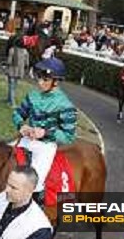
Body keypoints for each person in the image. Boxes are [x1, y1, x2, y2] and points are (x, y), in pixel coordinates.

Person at [12, 57, 77, 200]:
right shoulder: (32, 95)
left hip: (45, 147)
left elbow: (69, 136)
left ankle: (35, 205)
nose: (40, 82)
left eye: (45, 80)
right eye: (40, 78)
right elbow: (18, 113)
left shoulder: (66, 105)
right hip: (26, 139)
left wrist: (45, 133)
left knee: (34, 182)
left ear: (56, 82)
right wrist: (21, 125)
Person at [6, 36, 29, 107]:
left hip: (12, 71)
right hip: (20, 72)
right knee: (14, 87)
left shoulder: (12, 50)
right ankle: (8, 100)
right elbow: (27, 63)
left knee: (11, 87)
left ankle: (12, 103)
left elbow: (9, 61)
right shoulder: (25, 51)